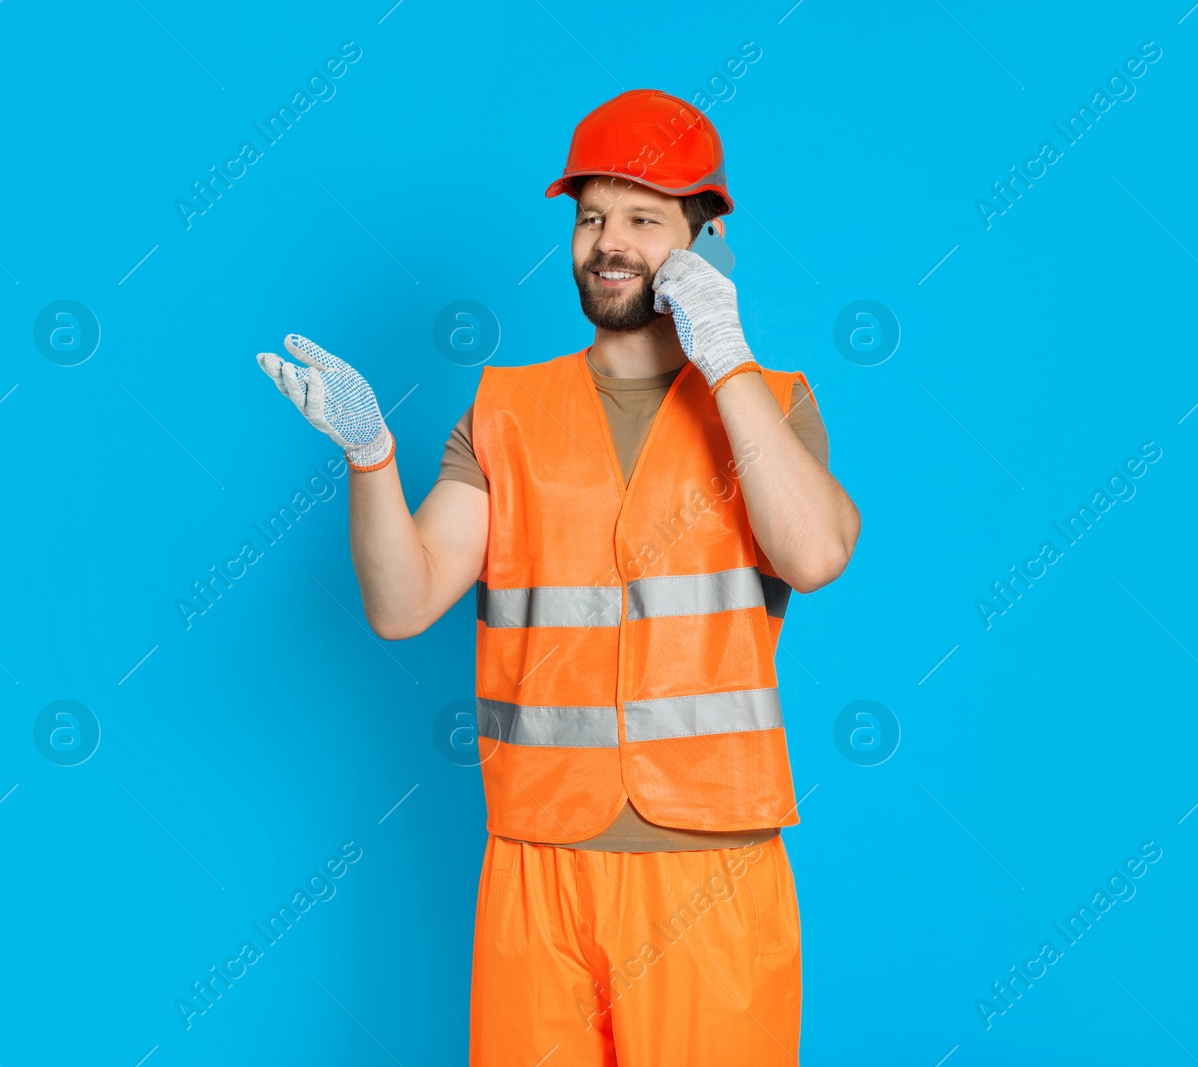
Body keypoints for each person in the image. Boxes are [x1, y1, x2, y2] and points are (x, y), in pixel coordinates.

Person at [256, 88, 860, 1066]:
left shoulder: (771, 405)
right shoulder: (506, 413)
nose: (608, 241)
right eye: (591, 218)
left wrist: (730, 361)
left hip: (709, 875)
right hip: (538, 873)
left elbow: (816, 552)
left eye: (642, 217)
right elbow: (403, 604)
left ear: (704, 237)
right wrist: (371, 459)